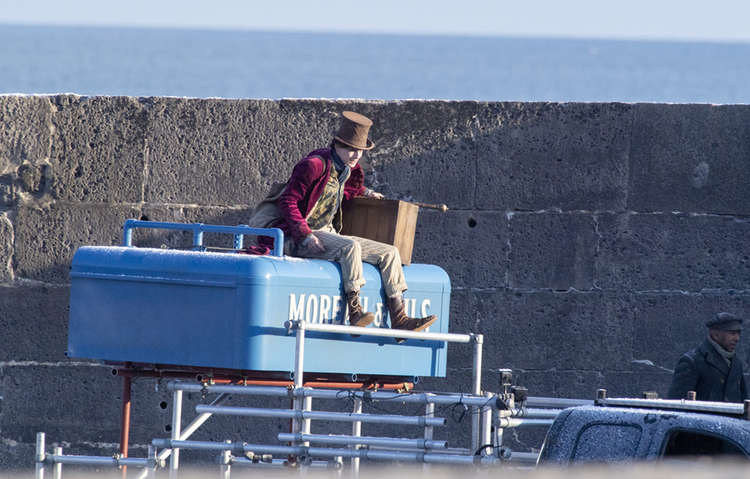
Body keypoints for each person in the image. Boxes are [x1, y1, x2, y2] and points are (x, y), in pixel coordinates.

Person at [248, 111, 437, 333]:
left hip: (327, 233)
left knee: (390, 253)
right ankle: (355, 310)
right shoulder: (314, 165)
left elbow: (347, 188)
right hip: (298, 237)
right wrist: (305, 234)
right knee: (350, 247)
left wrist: (367, 192)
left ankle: (400, 318)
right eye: (350, 149)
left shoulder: (348, 169)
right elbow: (288, 201)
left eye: (360, 151)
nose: (355, 155)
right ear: (336, 144)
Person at [667, 312, 748, 402]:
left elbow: (743, 401)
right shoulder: (692, 361)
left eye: (738, 333)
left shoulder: (736, 364)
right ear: (715, 334)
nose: (737, 338)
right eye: (732, 333)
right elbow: (676, 403)